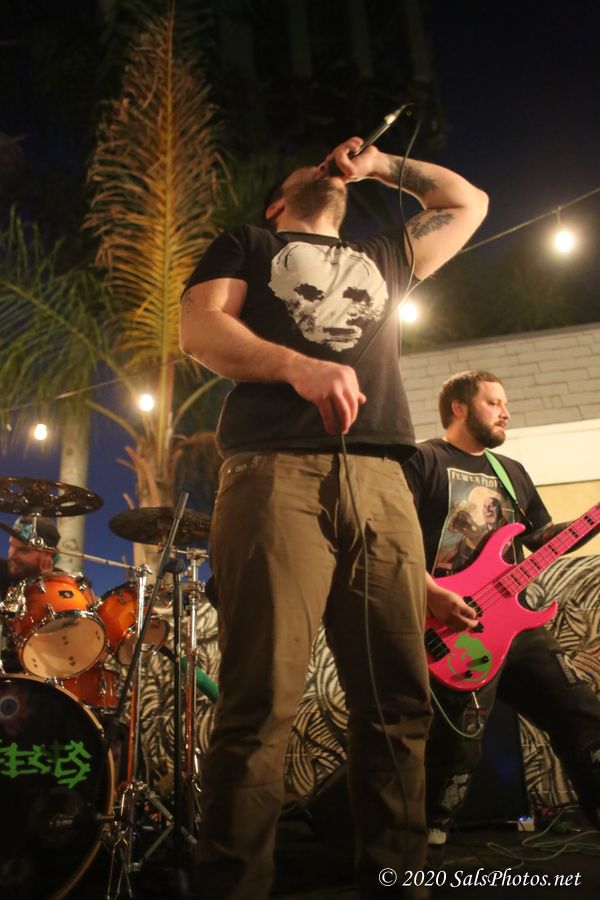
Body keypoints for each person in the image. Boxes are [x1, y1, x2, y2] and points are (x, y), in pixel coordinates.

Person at [179, 137, 488, 898]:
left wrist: (380, 166)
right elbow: (200, 329)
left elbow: (467, 203)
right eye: (306, 171)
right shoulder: (249, 244)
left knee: (397, 704)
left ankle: (397, 881)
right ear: (276, 204)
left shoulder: (383, 255)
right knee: (260, 705)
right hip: (274, 470)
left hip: (383, 480)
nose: (323, 171)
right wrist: (299, 366)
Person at [402, 370, 600, 843]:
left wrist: (590, 521)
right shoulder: (423, 459)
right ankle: (427, 837)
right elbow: (394, 536)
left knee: (580, 710)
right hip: (450, 626)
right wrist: (431, 593)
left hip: (516, 626)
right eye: (493, 402)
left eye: (505, 403)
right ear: (459, 407)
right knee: (460, 744)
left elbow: (540, 539)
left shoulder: (512, 472)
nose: (506, 412)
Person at [0, 515, 60, 671]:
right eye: (11, 546)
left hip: (45, 673)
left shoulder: (65, 589)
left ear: (47, 554)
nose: (12, 555)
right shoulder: (3, 572)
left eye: (23, 550)